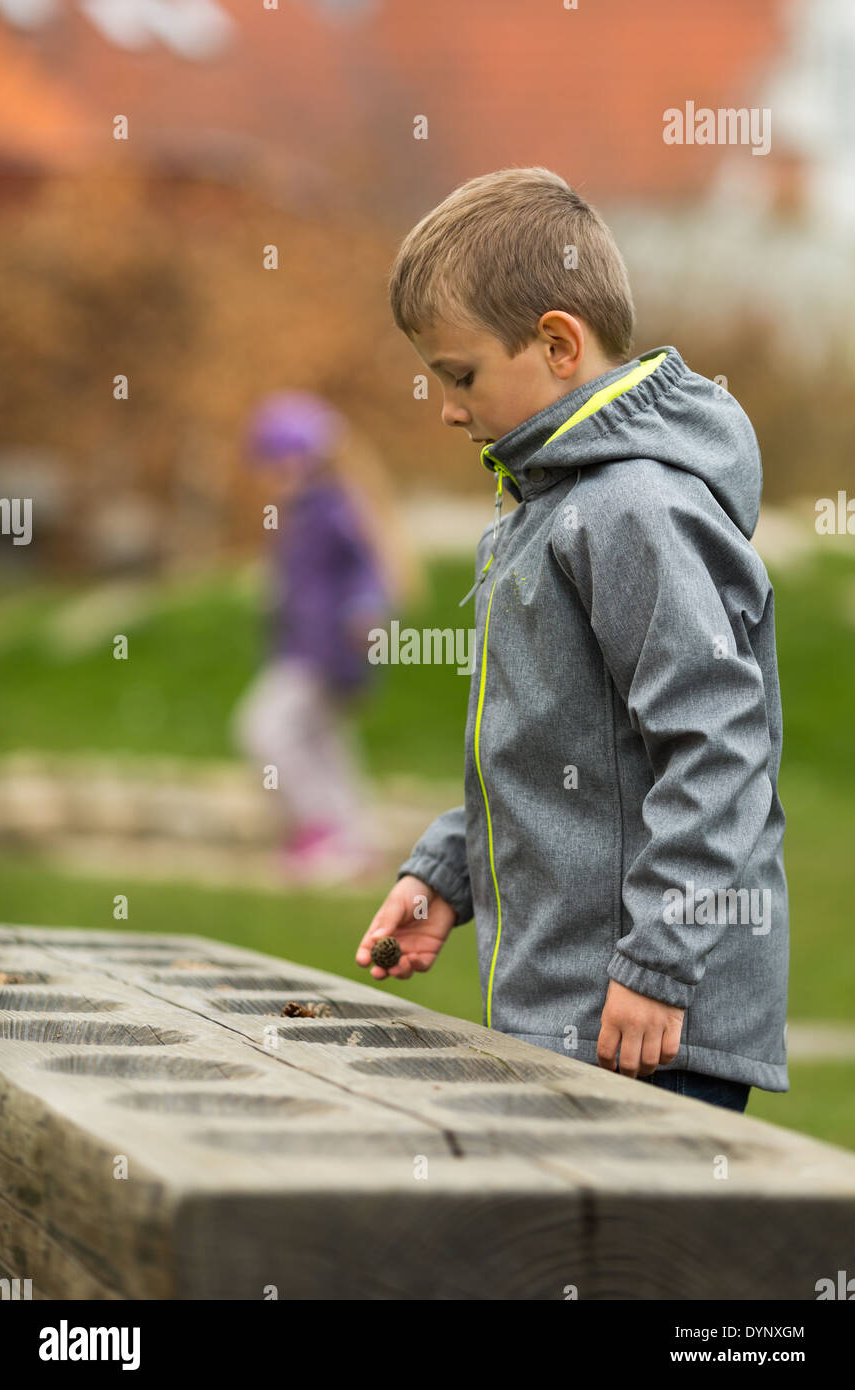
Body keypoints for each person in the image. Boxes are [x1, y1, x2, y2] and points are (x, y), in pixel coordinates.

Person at [355, 167, 789, 1114]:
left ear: (557, 342)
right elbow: (558, 755)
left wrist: (659, 962)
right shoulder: (542, 511)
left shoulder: (635, 510)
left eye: (458, 374)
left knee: (632, 1266)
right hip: (576, 1007)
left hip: (646, 1021)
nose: (447, 408)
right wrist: (444, 871)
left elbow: (720, 750)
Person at [231, 391, 424, 885]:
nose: (269, 476)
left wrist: (367, 610)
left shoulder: (330, 509)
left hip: (325, 650)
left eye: (275, 463)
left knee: (264, 728)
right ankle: (354, 842)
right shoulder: (302, 512)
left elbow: (365, 568)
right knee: (324, 744)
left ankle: (319, 830)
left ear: (300, 459)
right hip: (308, 647)